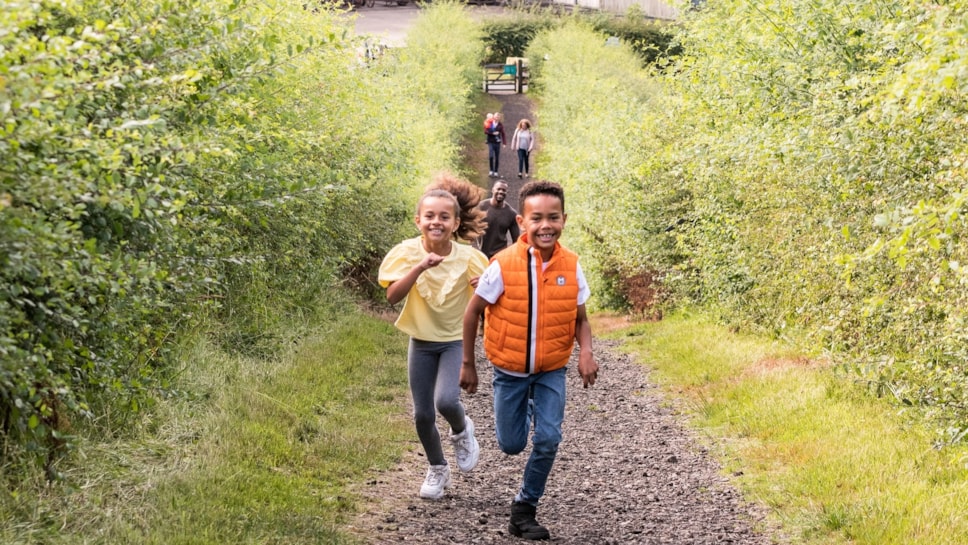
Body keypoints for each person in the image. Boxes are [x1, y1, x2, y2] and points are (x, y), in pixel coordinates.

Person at [460, 180, 599, 540]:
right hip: (509, 371)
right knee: (511, 445)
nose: (545, 225)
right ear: (522, 223)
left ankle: (524, 508)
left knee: (549, 439)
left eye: (553, 217)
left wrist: (585, 352)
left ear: (564, 220)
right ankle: (530, 408)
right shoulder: (503, 265)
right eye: (536, 218)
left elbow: (581, 319)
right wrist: (468, 364)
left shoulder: (572, 265)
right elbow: (472, 312)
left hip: (552, 369)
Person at [378, 173, 489, 500]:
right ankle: (438, 468)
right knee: (423, 413)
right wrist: (420, 267)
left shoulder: (469, 257)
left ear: (455, 223)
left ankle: (461, 429)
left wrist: (483, 291)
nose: (436, 222)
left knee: (446, 401)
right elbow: (392, 297)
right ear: (418, 220)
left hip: (455, 340)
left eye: (444, 216)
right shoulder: (406, 253)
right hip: (421, 342)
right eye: (429, 216)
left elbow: (490, 300)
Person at [477, 180, 521, 259]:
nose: (501, 192)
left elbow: (516, 241)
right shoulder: (481, 207)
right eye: (498, 189)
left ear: (506, 193)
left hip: (500, 256)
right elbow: (471, 227)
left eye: (504, 190)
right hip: (481, 254)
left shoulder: (511, 213)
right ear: (493, 190)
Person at [485, 112, 506, 178]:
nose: (496, 118)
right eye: (495, 117)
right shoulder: (490, 123)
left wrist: (504, 143)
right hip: (491, 141)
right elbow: (486, 131)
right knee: (491, 156)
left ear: (499, 118)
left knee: (497, 157)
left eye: (498, 117)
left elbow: (503, 133)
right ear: (493, 117)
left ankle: (496, 171)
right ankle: (491, 170)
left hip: (497, 143)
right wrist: (492, 133)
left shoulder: (500, 125)